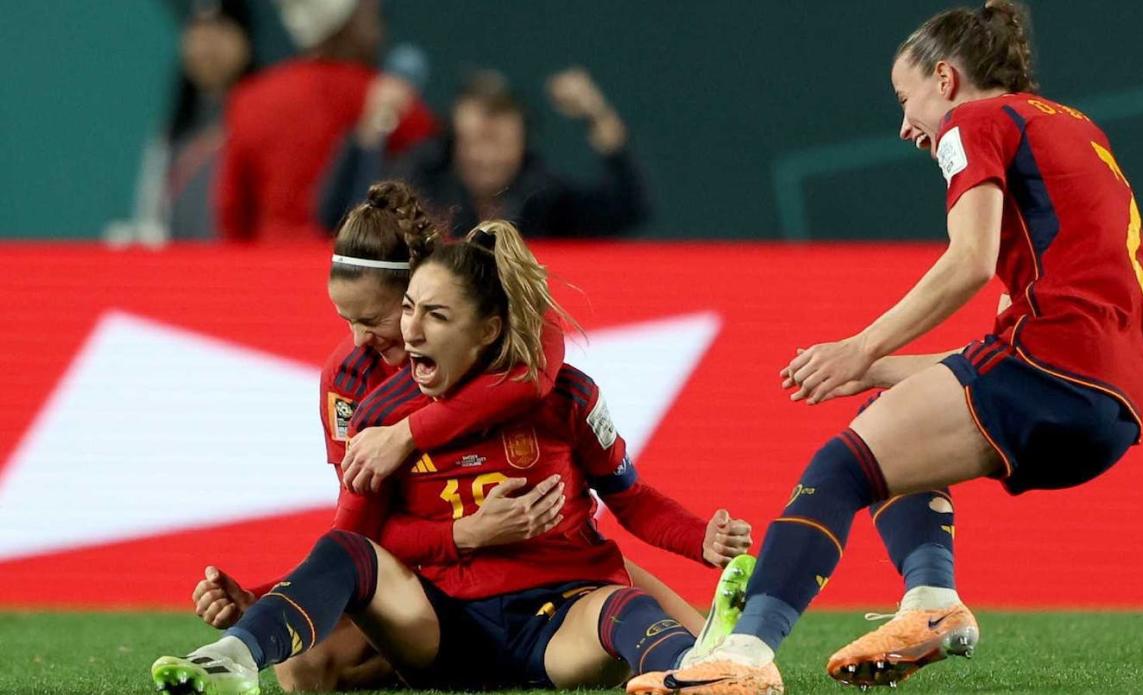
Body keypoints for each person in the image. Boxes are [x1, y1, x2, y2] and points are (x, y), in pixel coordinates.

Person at [648, 1, 1143, 692]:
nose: (905, 125)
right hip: (1110, 406)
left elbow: (968, 261)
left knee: (840, 464)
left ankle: (743, 657)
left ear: (945, 78)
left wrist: (860, 347)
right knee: (895, 413)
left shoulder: (976, 120)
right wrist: (883, 368)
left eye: (904, 97)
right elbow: (1003, 342)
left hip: (1054, 369)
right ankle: (932, 603)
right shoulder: (1074, 130)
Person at [166, 183, 750, 693]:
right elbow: (354, 540)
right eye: (409, 314)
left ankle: (703, 666)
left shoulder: (545, 374)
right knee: (304, 670)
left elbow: (622, 487)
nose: (364, 339)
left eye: (391, 318)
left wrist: (703, 539)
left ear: (484, 325)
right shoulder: (362, 397)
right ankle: (235, 658)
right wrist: (463, 532)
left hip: (556, 594)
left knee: (638, 612)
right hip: (435, 605)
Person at [319, 68, 649, 239]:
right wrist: (371, 130)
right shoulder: (420, 187)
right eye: (477, 139)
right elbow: (340, 218)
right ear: (455, 142)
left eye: (501, 141)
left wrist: (597, 115)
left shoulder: (543, 196)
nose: (488, 156)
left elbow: (628, 207)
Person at [216, 0, 436, 242]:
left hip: (267, 267)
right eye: (368, 12)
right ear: (347, 23)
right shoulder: (387, 99)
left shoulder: (250, 98)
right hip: (357, 270)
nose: (378, 26)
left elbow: (232, 212)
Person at [104, 0, 255, 244]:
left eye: (219, 28)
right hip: (183, 270)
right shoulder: (172, 133)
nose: (207, 44)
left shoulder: (263, 123)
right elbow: (151, 217)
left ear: (245, 39)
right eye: (197, 29)